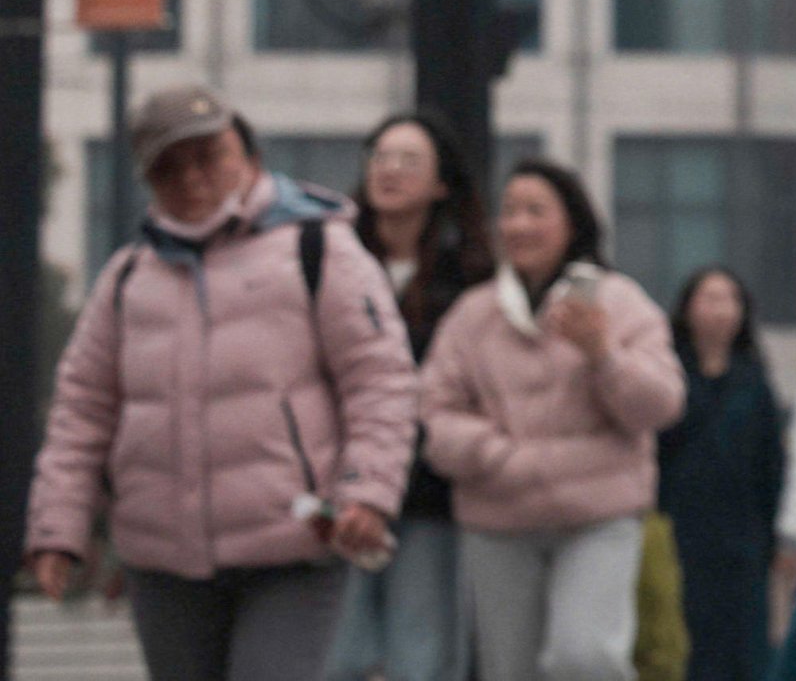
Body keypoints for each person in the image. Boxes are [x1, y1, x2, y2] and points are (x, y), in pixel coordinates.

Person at [26, 82, 417, 681]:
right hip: (163, 558)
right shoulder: (127, 278)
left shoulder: (321, 249)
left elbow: (380, 380)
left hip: (294, 548)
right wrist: (60, 529)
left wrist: (366, 490)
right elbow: (82, 410)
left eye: (208, 156)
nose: (191, 179)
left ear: (247, 156)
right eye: (168, 167)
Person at [421, 161, 688, 681]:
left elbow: (662, 406)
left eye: (536, 211)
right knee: (510, 671)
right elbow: (434, 413)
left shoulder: (619, 303)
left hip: (598, 517)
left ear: (573, 222)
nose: (518, 225)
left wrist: (602, 354)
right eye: (510, 212)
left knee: (585, 658)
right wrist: (498, 456)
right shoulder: (474, 314)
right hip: (498, 519)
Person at [328, 112, 492, 681]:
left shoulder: (473, 277)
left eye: (408, 160)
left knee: (420, 658)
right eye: (380, 157)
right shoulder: (328, 259)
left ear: (441, 184)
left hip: (430, 501)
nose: (389, 171)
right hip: (339, 496)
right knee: (334, 657)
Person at [654, 269, 787, 681]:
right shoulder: (667, 376)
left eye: (729, 299)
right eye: (709, 298)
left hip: (743, 537)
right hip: (680, 529)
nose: (720, 309)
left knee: (743, 646)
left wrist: (775, 534)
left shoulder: (755, 381)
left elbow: (772, 464)